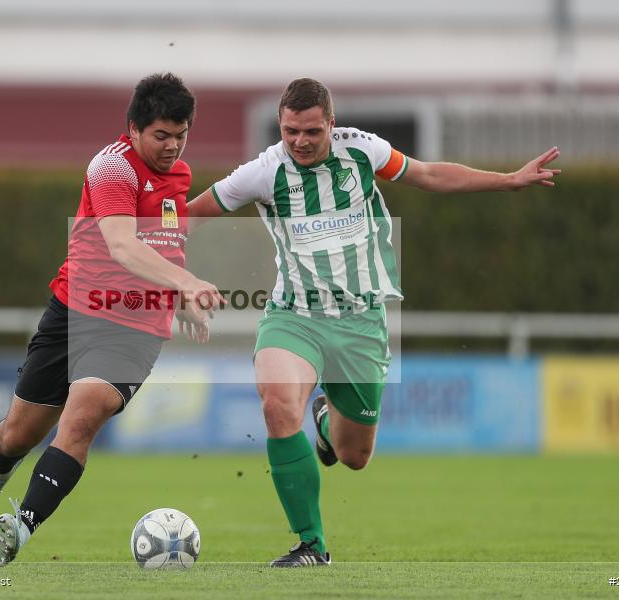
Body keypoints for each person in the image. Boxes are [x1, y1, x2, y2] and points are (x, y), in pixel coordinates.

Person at [187, 77, 560, 567]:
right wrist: (156, 252)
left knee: (354, 456)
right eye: (290, 130)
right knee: (278, 405)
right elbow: (192, 213)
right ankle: (311, 545)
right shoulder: (262, 172)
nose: (299, 141)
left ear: (331, 125)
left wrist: (507, 179)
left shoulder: (363, 151)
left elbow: (429, 175)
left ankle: (327, 423)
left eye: (311, 131)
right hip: (293, 315)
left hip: (361, 321)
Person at [0, 72, 222, 567]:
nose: (172, 147)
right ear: (134, 128)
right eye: (161, 135)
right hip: (76, 310)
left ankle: (21, 526)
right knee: (19, 433)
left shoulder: (180, 177)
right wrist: (185, 285)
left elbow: (167, 243)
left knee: (82, 418)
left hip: (136, 327)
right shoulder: (112, 169)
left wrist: (178, 293)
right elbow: (123, 246)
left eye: (181, 134)